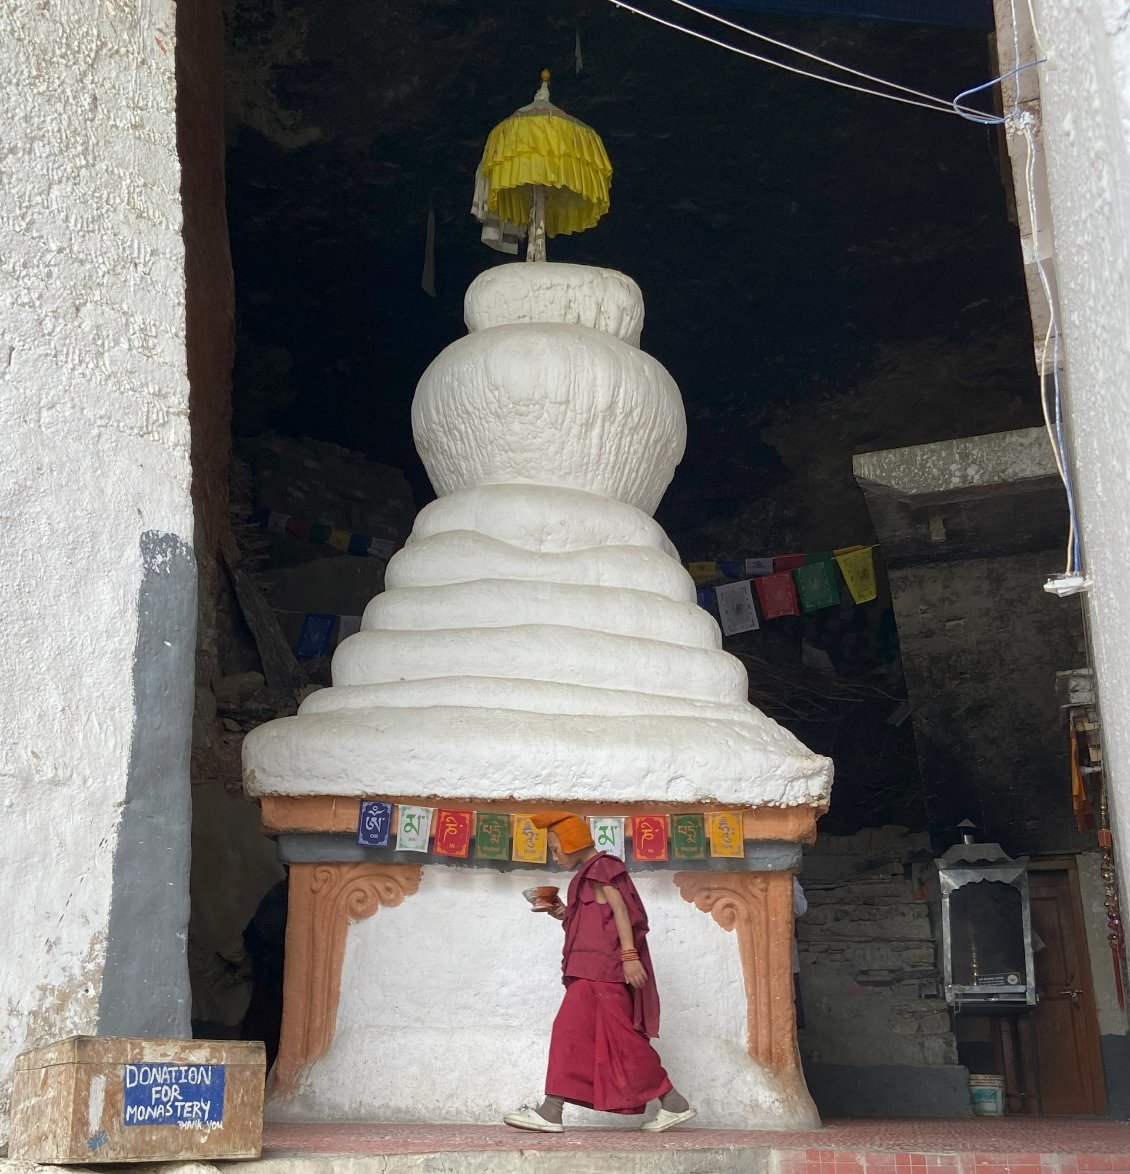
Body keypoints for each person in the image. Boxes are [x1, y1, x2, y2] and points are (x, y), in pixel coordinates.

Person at [503, 811, 696, 1134]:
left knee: (601, 1037)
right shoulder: (590, 874)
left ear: (572, 841)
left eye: (555, 848)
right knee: (589, 1036)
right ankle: (670, 1102)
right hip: (591, 971)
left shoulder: (603, 867)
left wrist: (630, 956)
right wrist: (562, 912)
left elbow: (621, 910)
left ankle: (553, 1110)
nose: (554, 856)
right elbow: (596, 922)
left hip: (603, 972)